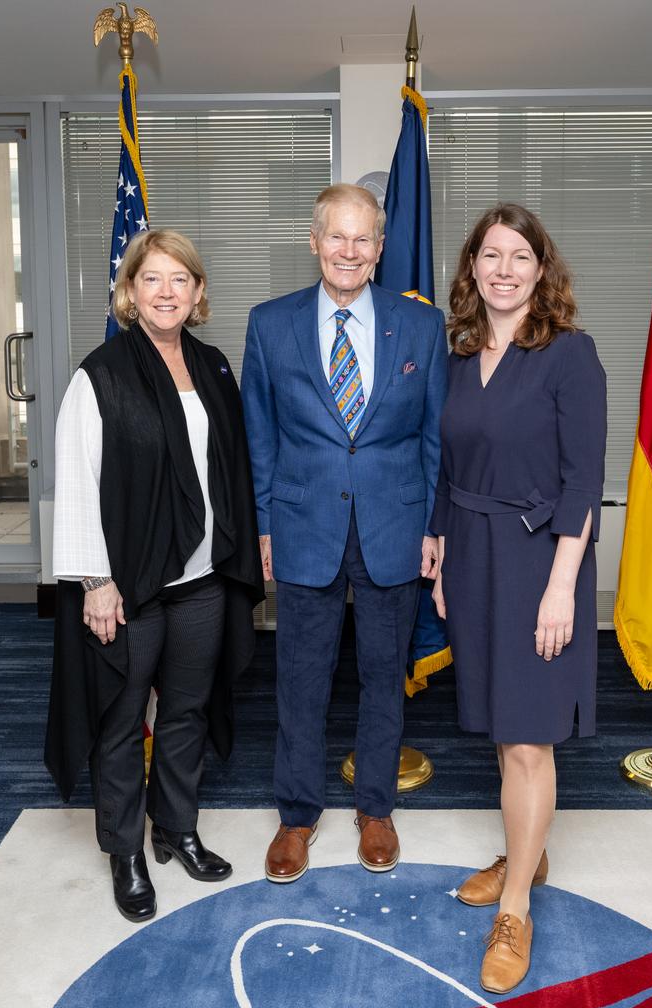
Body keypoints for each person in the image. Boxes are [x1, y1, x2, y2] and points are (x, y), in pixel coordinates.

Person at [44, 229, 263, 922]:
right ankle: (126, 851)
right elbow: (77, 483)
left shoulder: (212, 365)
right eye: (152, 279)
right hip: (129, 587)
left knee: (186, 713)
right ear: (130, 292)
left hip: (202, 580)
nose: (166, 292)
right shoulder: (99, 375)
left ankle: (177, 827)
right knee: (119, 719)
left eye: (180, 279)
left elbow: (234, 470)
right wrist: (94, 581)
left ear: (198, 293)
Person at [240, 183, 447, 882]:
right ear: (314, 241)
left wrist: (432, 528)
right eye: (337, 236)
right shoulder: (270, 325)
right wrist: (265, 525)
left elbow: (433, 437)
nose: (350, 251)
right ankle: (297, 817)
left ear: (381, 248)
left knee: (385, 678)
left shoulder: (420, 327)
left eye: (364, 239)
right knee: (300, 680)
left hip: (394, 524)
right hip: (302, 526)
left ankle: (375, 808)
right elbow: (259, 439)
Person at [429, 204, 606, 993]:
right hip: (471, 557)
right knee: (505, 731)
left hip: (539, 563)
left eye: (519, 257)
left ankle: (518, 906)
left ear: (542, 270)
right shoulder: (461, 355)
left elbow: (584, 482)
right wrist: (437, 550)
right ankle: (525, 846)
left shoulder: (571, 355)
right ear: (472, 269)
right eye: (489, 256)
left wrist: (563, 586)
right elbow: (446, 462)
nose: (504, 269)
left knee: (531, 738)